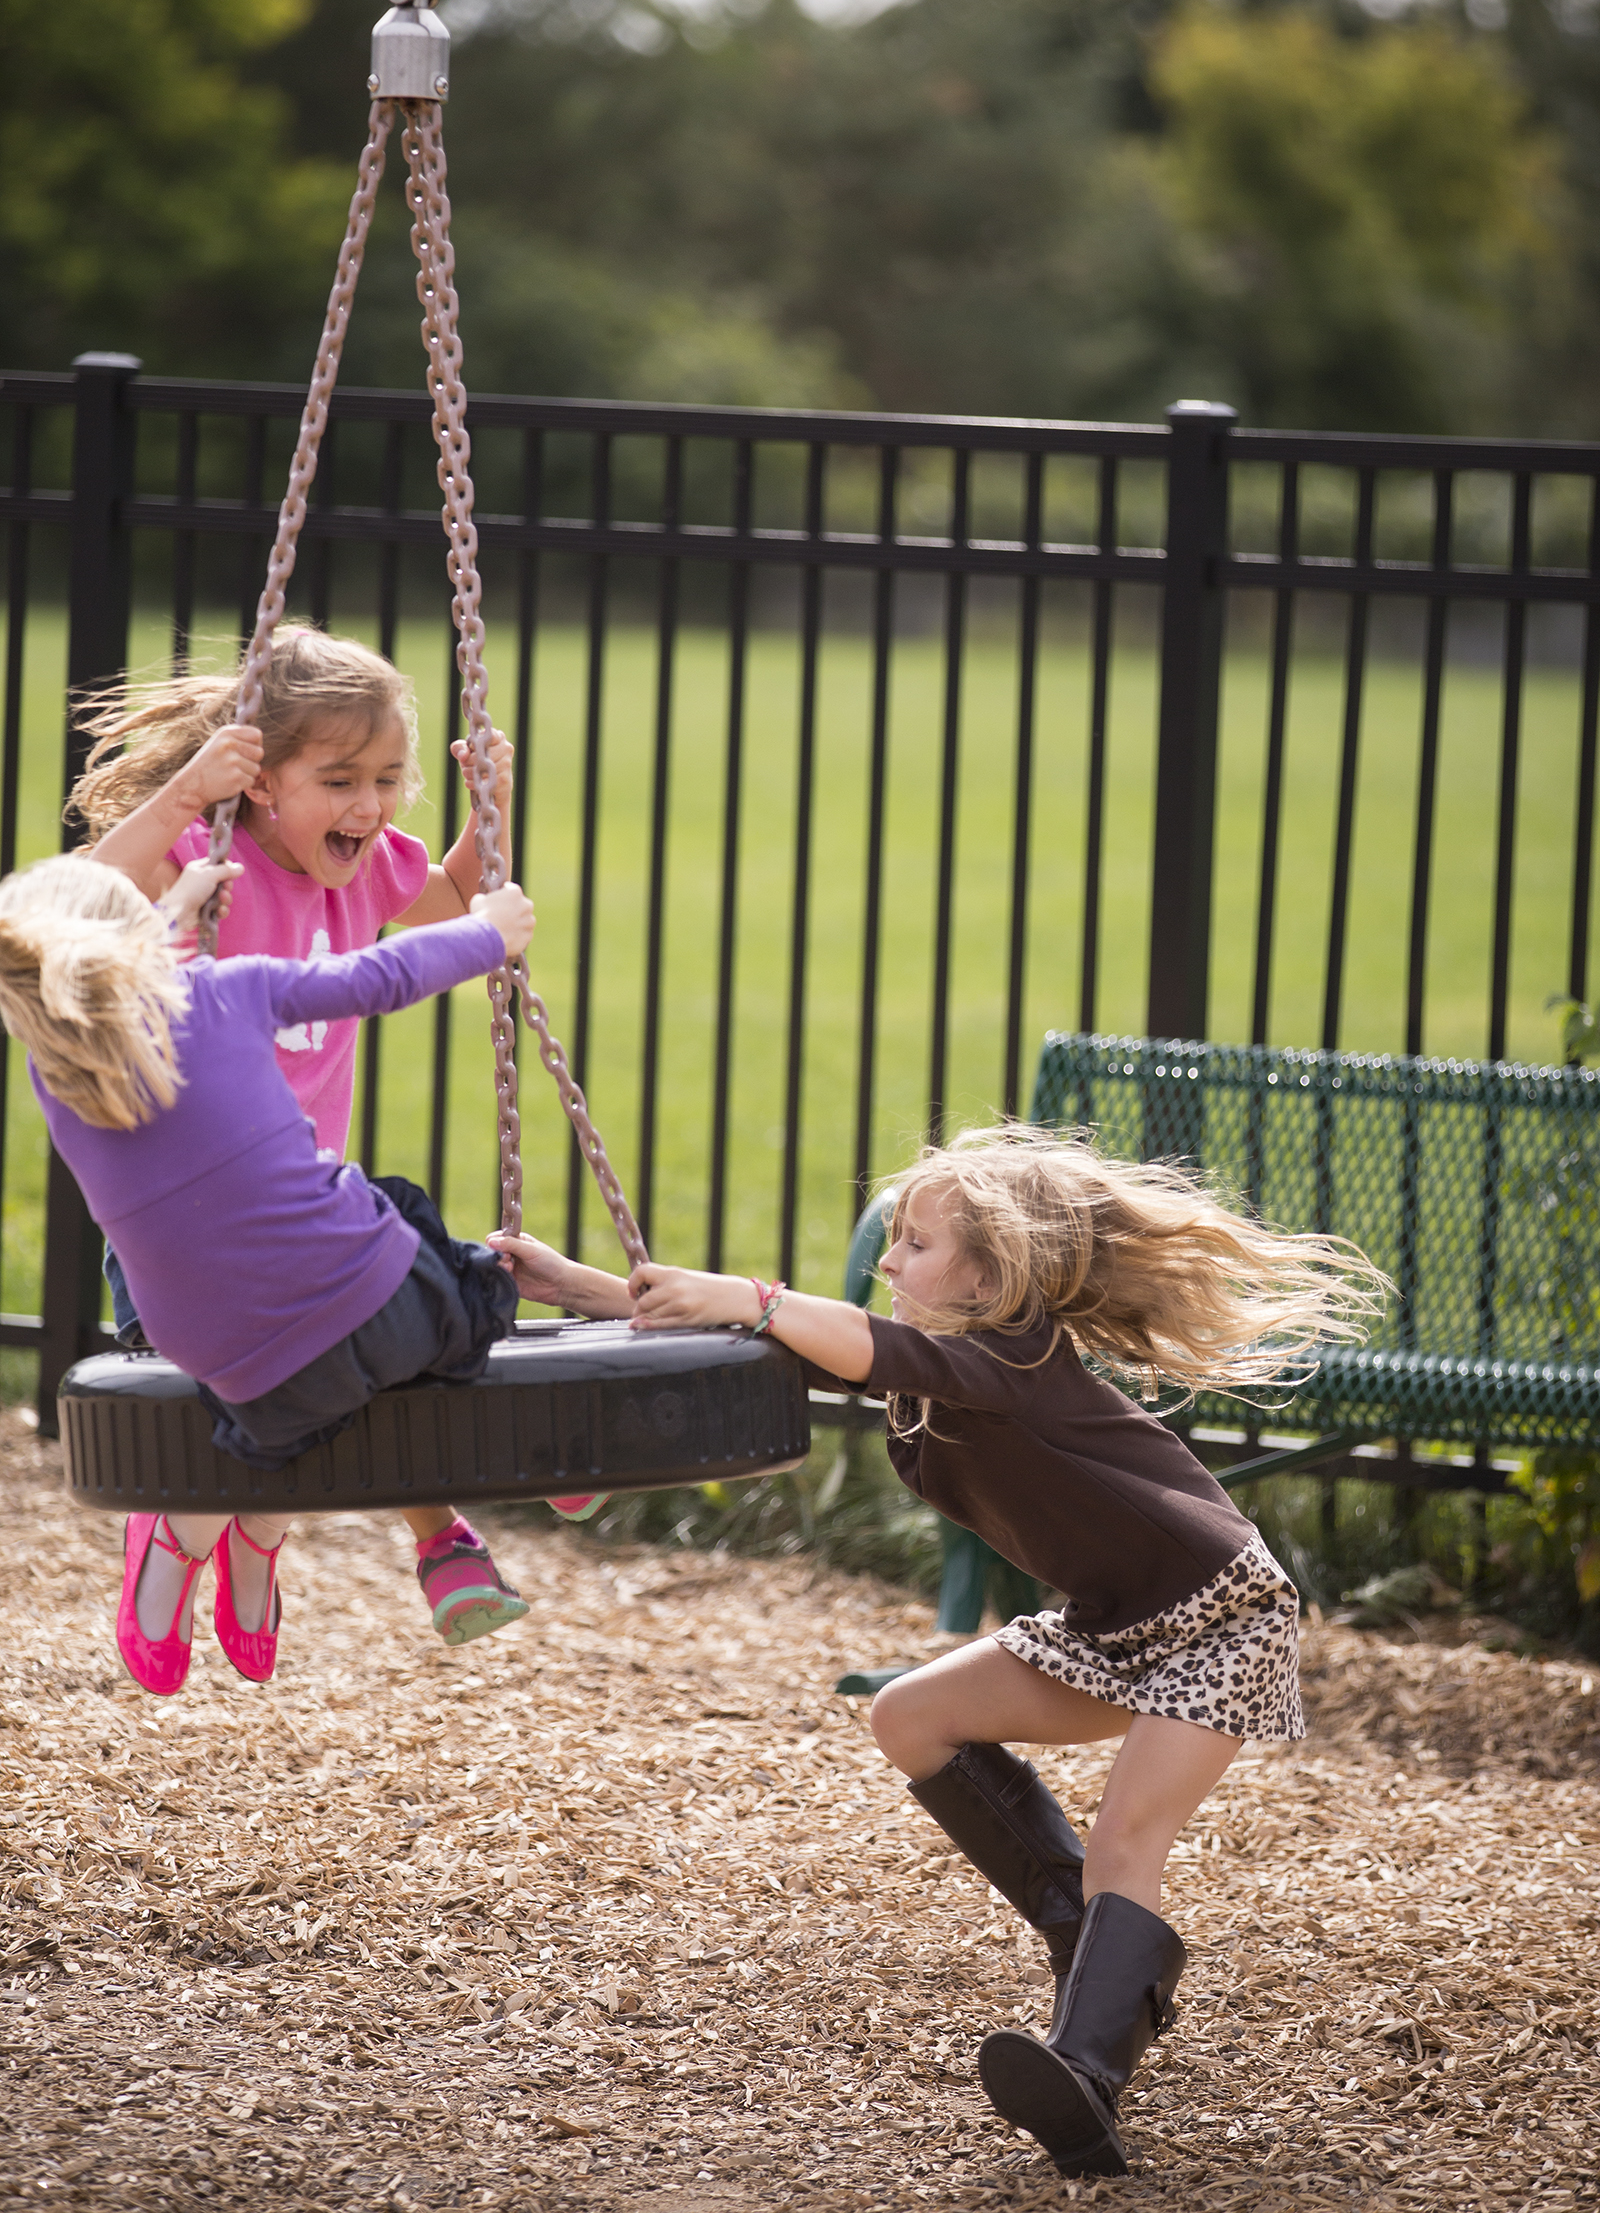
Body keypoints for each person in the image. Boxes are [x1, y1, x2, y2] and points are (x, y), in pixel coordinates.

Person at [492, 1125, 1387, 2179]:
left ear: (991, 1272)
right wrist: (581, 1287)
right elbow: (764, 1344)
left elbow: (854, 1342)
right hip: (1114, 1625)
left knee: (1125, 1838)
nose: (889, 1260)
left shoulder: (1014, 1359)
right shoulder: (934, 1368)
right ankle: (1089, 1941)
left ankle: (1089, 2076)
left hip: (1219, 1615)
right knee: (909, 1716)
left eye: (915, 1243)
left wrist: (760, 1297)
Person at [70, 625, 602, 1647]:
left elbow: (447, 896)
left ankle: (277, 1536)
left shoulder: (358, 871)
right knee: (253, 1383)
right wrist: (184, 793)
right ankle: (191, 1535)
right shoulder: (205, 859)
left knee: (365, 1339)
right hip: (187, 1217)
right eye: (341, 779)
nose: (368, 805)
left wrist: (490, 804)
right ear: (263, 780)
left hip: (308, 1206)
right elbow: (88, 897)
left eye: (389, 779)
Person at [0, 851, 538, 1699]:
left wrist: (172, 902)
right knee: (422, 1238)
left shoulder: (58, 1079)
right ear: (142, 936)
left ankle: (207, 1534)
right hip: (375, 1313)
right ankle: (542, 1460)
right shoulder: (227, 990)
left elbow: (119, 985)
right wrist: (486, 935)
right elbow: (376, 975)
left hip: (228, 1366)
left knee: (301, 1384)